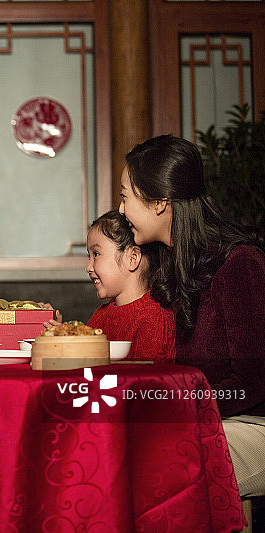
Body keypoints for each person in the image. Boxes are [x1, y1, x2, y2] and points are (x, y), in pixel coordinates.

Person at [119, 133, 265, 496]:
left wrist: (178, 405)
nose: (120, 210)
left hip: (254, 424)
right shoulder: (174, 265)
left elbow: (256, 380)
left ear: (159, 202)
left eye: (125, 196)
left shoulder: (239, 262)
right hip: (213, 419)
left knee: (152, 455)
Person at [85, 209, 176, 363]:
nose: (88, 267)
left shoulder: (154, 319)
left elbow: (149, 382)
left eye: (96, 254)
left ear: (132, 258)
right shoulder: (101, 316)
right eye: (89, 256)